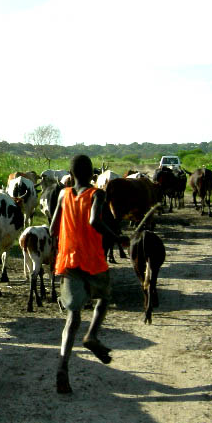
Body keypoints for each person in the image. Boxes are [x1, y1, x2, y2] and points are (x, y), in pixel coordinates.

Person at [50, 154, 127, 394]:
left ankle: (63, 366)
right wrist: (116, 237)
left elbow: (53, 228)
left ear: (71, 175)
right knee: (103, 297)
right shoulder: (97, 194)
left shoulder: (63, 194)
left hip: (69, 259)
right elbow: (94, 220)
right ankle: (92, 336)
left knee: (72, 317)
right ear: (92, 174)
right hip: (92, 259)